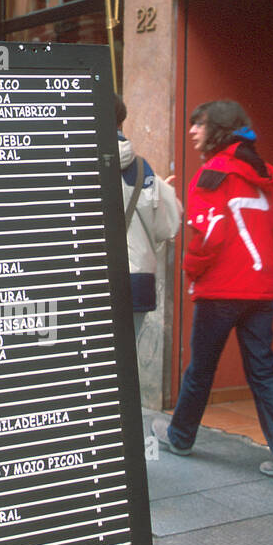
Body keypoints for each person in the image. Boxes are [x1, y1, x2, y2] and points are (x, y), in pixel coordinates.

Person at [152, 99, 273, 477]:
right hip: (261, 291)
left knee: (202, 368)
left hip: (220, 291)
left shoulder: (212, 175)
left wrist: (192, 271)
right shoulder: (266, 175)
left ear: (218, 130)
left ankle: (180, 437)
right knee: (264, 371)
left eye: (200, 124)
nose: (193, 130)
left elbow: (208, 235)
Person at [115, 95, 182, 395]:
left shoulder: (73, 164)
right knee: (124, 363)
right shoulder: (145, 171)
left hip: (87, 281)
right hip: (137, 280)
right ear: (121, 121)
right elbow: (168, 228)